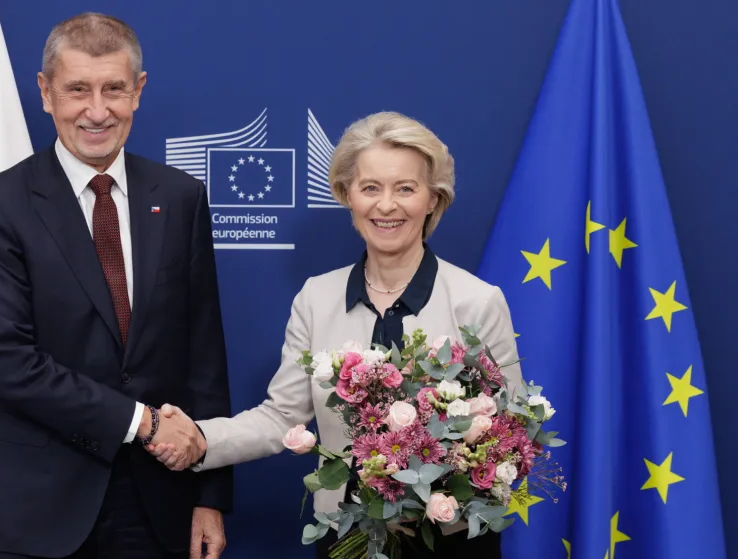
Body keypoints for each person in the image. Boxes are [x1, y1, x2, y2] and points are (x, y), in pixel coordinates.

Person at [150, 112, 523, 558]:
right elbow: (279, 418)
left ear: (433, 199)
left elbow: (510, 435)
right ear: (347, 195)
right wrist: (198, 438)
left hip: (450, 542)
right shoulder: (316, 297)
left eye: (406, 188)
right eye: (370, 188)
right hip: (345, 539)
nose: (387, 206)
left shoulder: (477, 302)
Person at [0, 13, 232, 559]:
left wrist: (210, 495)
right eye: (77, 89)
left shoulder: (181, 197)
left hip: (155, 501)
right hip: (33, 504)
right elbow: (10, 362)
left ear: (139, 90)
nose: (97, 111)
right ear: (45, 92)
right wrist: (144, 423)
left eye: (114, 89)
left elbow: (203, 355)